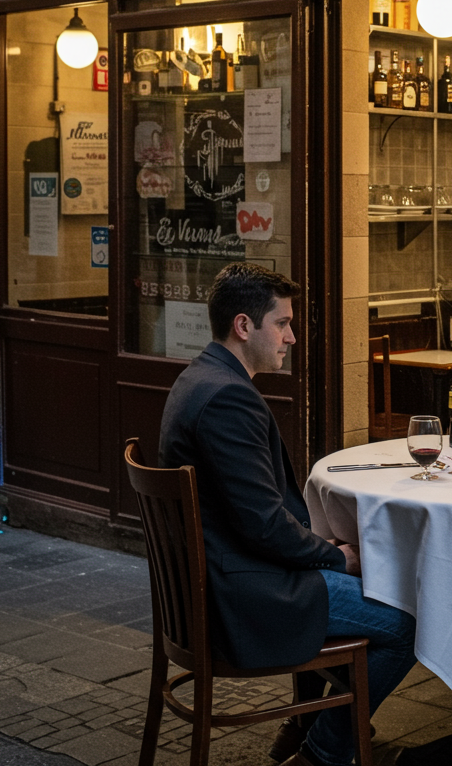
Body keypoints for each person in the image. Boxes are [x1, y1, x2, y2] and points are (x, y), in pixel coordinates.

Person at [159, 262, 417, 766]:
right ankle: (322, 752)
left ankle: (308, 727)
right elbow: (265, 526)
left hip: (212, 584)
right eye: (282, 324)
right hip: (243, 597)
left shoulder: (198, 377)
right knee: (408, 623)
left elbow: (258, 518)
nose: (292, 337)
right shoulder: (228, 397)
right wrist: (336, 558)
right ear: (243, 326)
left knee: (370, 591)